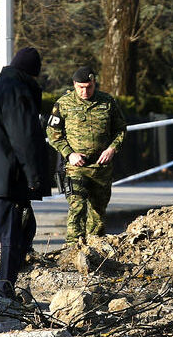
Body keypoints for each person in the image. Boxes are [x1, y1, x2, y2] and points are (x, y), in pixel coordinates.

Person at [0, 46, 50, 299]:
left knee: (15, 229)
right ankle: (2, 291)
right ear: (31, 73)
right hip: (8, 177)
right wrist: (35, 177)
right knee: (9, 234)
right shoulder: (16, 91)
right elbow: (24, 137)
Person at [46, 66, 126, 245]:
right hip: (76, 167)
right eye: (80, 87)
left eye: (88, 87)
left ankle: (95, 250)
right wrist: (69, 154)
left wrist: (112, 149)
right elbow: (53, 134)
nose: (85, 91)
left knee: (98, 212)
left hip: (101, 167)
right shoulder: (64, 104)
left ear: (94, 83)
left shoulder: (107, 102)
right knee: (77, 208)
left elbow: (120, 129)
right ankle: (72, 249)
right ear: (74, 85)